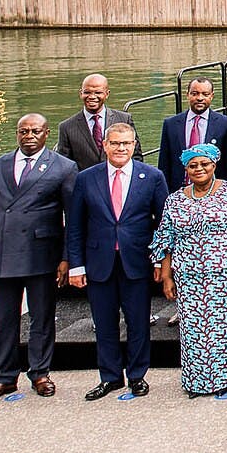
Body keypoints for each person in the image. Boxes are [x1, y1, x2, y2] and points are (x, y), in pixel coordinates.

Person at [0, 114, 75, 405]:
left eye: (35, 131)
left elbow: (72, 217)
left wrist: (67, 258)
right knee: (4, 320)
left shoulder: (64, 167)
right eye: (23, 131)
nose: (29, 135)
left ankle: (40, 372)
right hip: (1, 255)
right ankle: (3, 377)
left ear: (46, 133)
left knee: (41, 318)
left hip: (42, 254)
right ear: (17, 134)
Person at [66, 123, 166, 401]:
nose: (121, 148)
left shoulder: (152, 177)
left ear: (134, 145)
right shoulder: (87, 178)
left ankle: (137, 375)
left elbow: (163, 224)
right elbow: (75, 226)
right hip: (99, 260)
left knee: (138, 322)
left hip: (137, 260)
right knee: (105, 322)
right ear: (105, 145)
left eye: (127, 144)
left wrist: (160, 261)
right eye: (116, 143)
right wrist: (76, 265)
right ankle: (110, 376)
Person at [151, 144, 227, 398]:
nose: (199, 169)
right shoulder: (175, 200)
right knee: (193, 331)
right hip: (188, 276)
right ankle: (197, 382)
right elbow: (166, 239)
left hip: (222, 273)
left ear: (214, 165)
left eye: (204, 164)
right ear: (186, 169)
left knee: (222, 327)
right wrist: (167, 276)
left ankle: (226, 376)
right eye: (193, 165)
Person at [158, 77, 227, 192]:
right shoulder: (171, 124)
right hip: (179, 190)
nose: (200, 98)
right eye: (195, 93)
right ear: (187, 95)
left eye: (205, 94)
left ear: (211, 96)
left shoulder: (226, 124)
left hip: (214, 191)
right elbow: (164, 163)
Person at [56, 73, 142, 171]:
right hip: (86, 183)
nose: (92, 96)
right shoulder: (67, 127)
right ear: (81, 93)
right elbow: (64, 165)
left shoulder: (124, 119)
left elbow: (136, 155)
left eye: (98, 92)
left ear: (107, 94)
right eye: (87, 92)